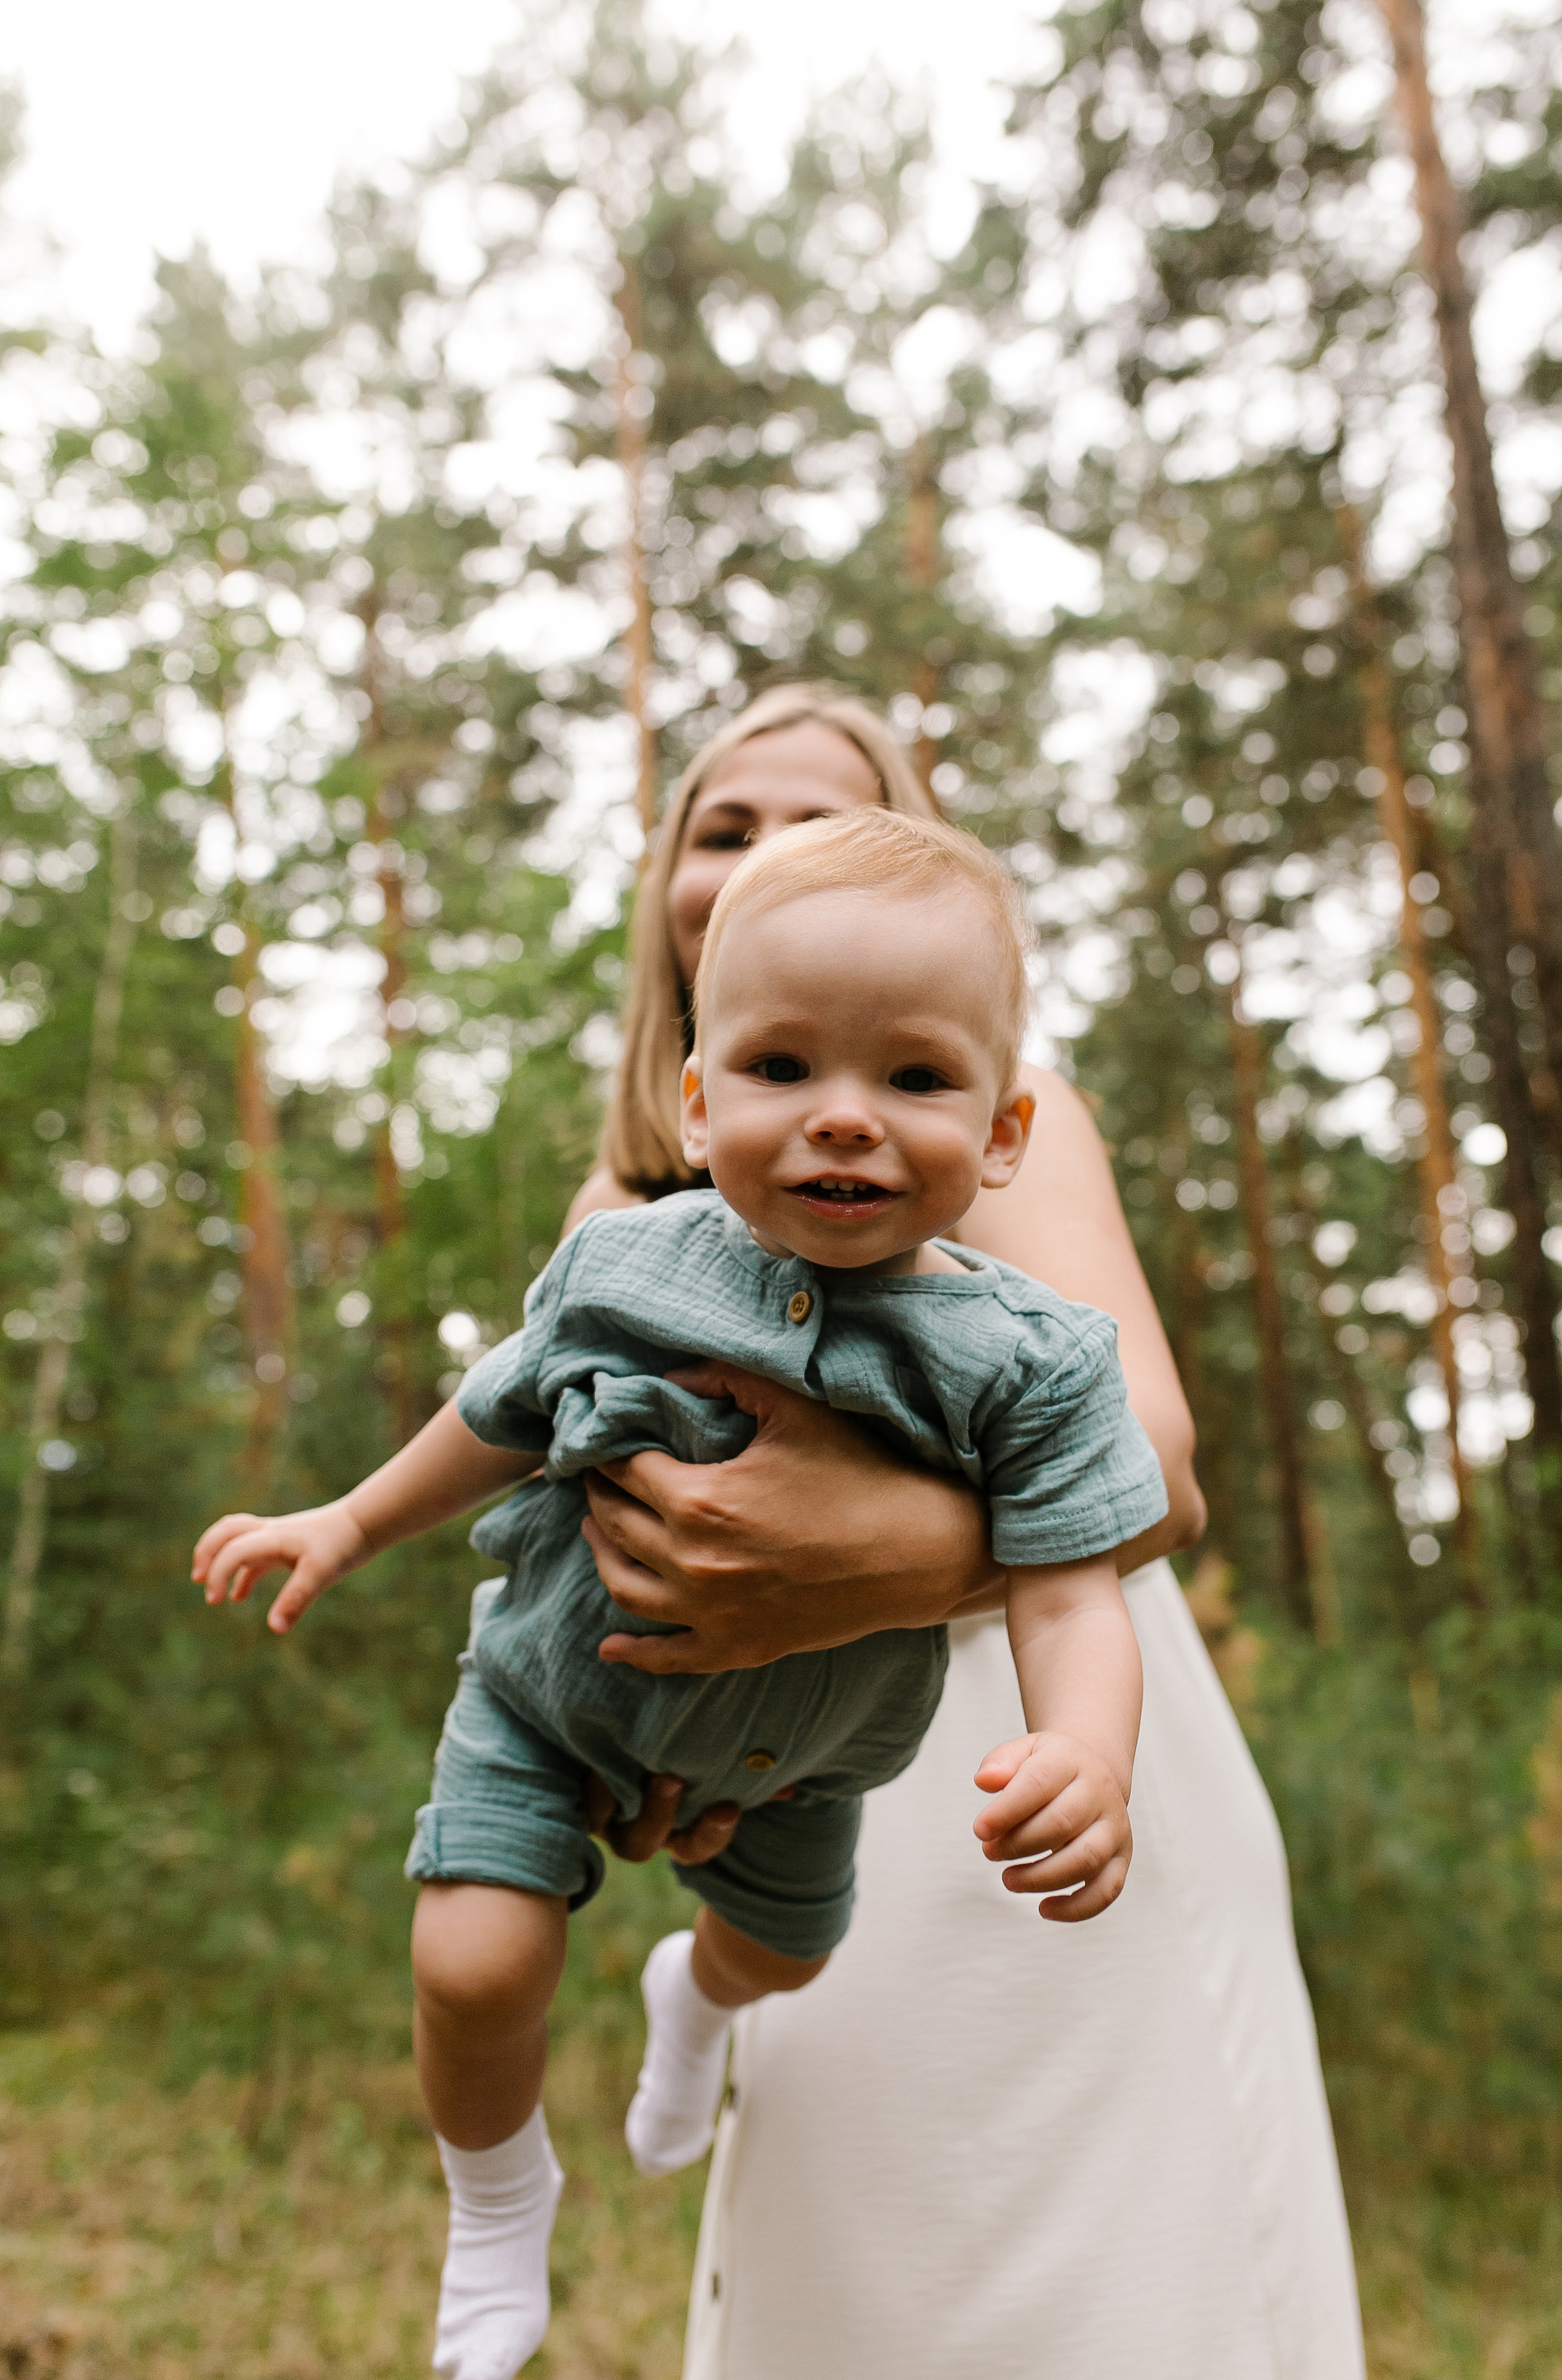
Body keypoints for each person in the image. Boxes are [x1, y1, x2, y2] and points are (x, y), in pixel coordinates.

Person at [192, 806, 1168, 2380]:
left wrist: (1092, 1753)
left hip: (804, 1754)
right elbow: (494, 1417)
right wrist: (346, 1524)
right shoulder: (624, 1268)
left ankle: (691, 1995)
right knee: (471, 1960)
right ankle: (500, 2197)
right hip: (547, 1700)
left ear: (1000, 1134)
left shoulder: (1034, 1364)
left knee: (783, 1956)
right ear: (700, 1100)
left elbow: (1068, 1592)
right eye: (783, 1070)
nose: (843, 1119)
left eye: (912, 1078)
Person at [569, 685, 1367, 2379]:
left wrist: (881, 1562)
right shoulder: (622, 1211)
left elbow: (1158, 1454)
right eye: (728, 827)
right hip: (802, 1787)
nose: (772, 853)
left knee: (1120, 2282)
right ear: (669, 891)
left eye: (822, 819)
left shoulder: (968, 1114)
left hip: (1055, 1734)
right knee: (854, 2275)